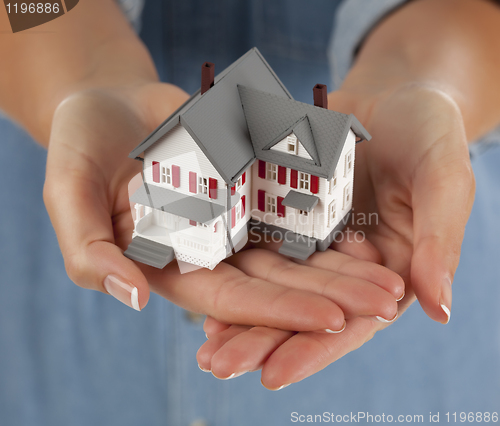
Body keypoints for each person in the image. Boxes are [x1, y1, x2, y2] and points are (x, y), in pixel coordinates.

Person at [0, 0, 498, 425]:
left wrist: (432, 78)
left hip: (393, 370)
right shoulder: (199, 173)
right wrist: (75, 72)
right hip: (62, 337)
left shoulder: (288, 167)